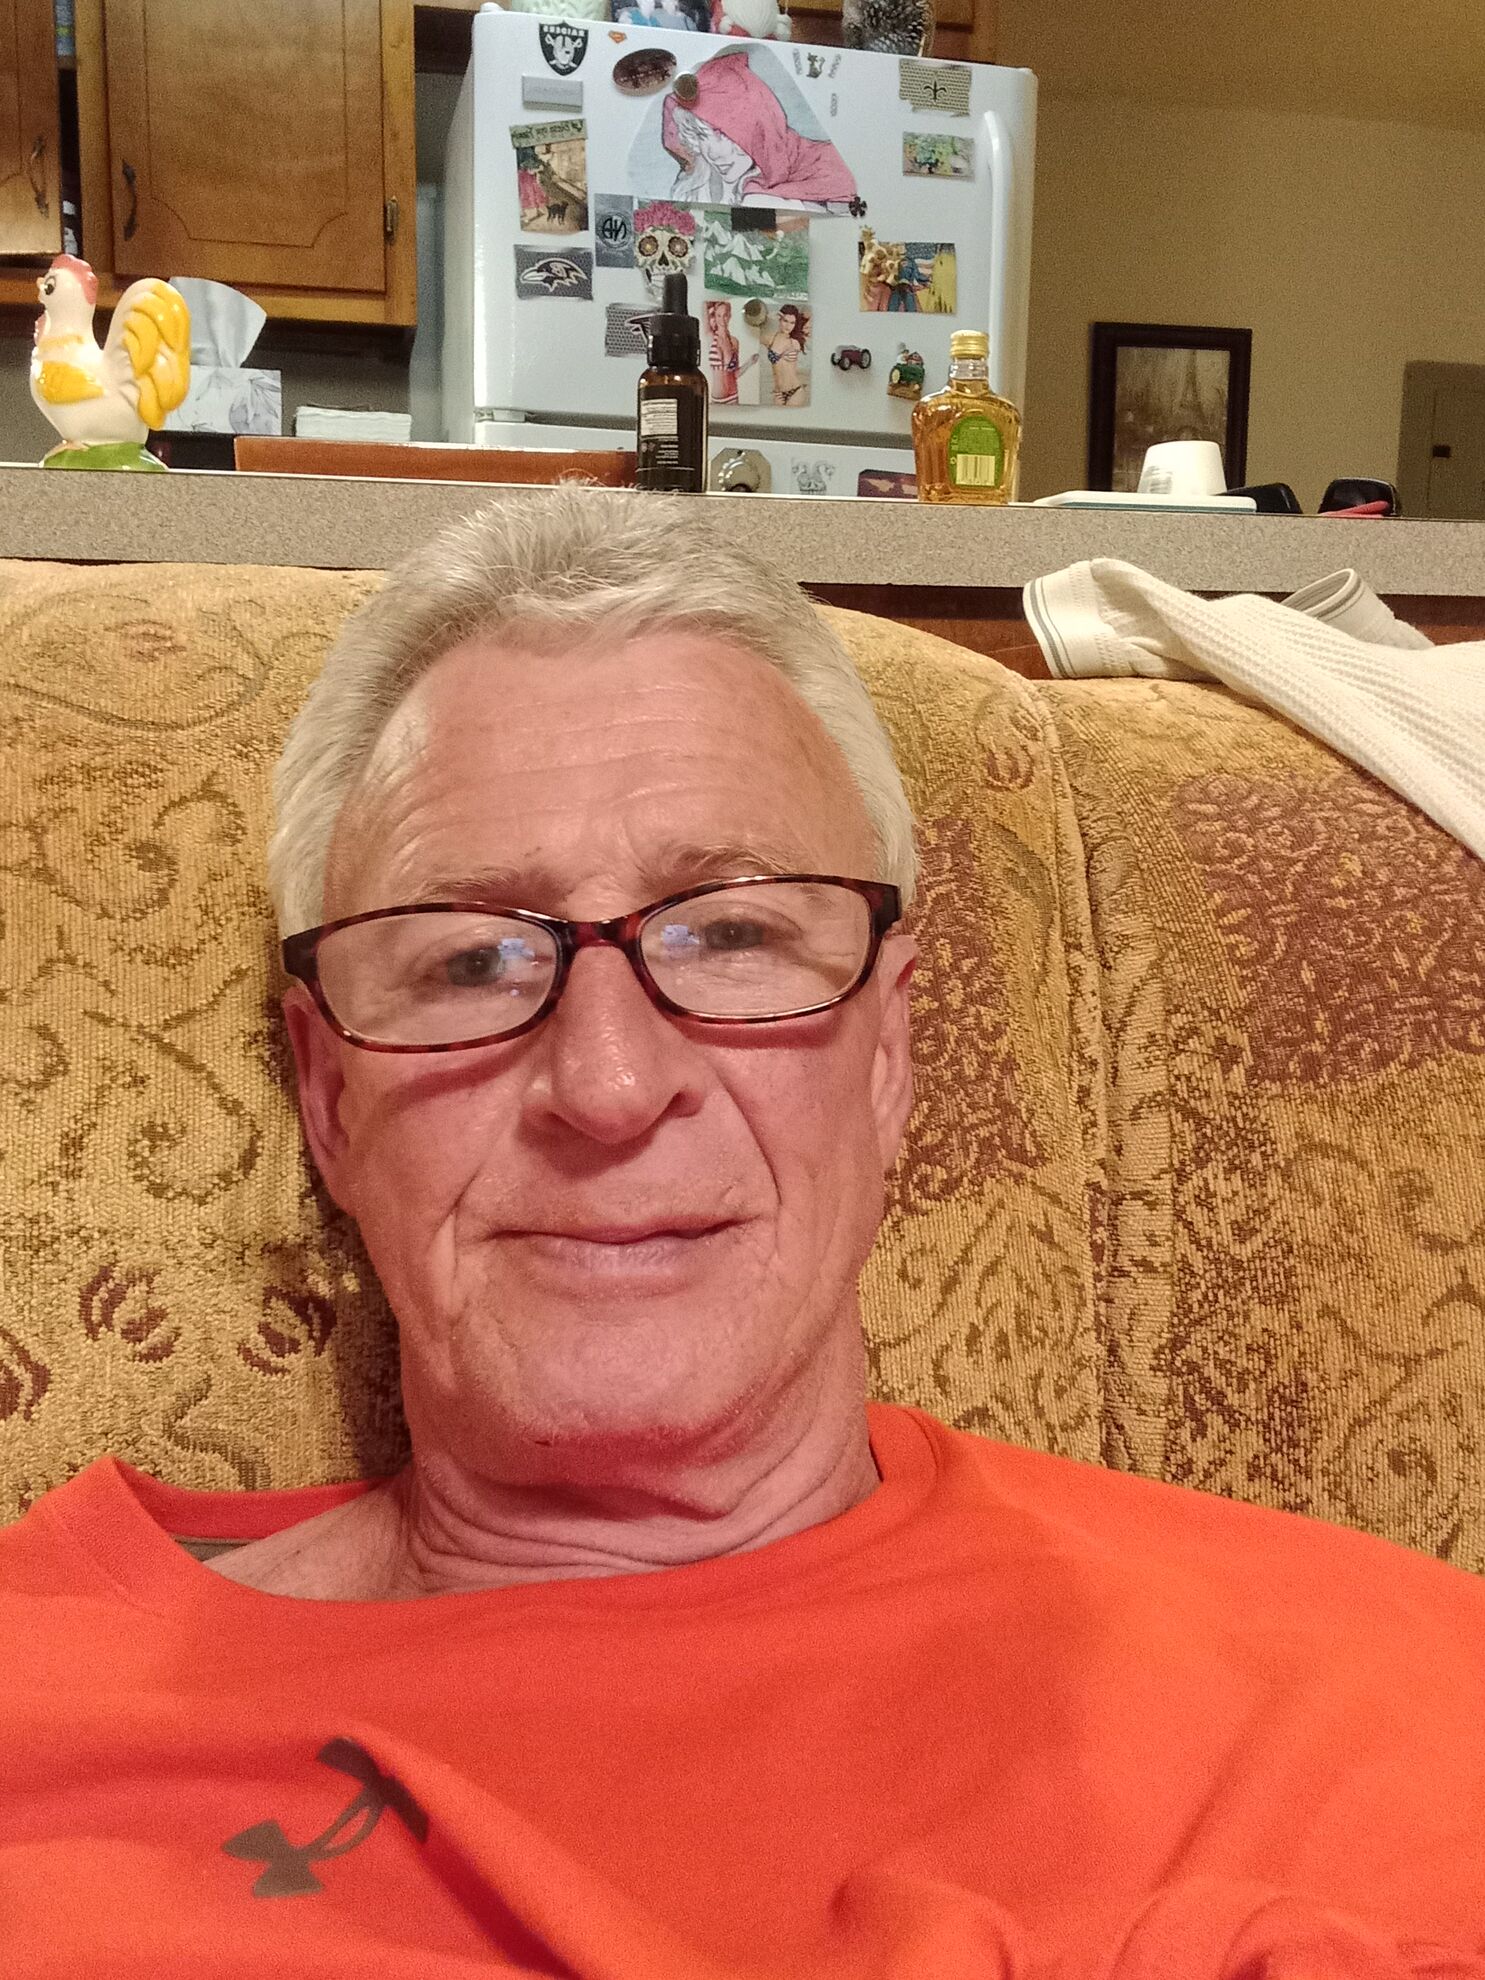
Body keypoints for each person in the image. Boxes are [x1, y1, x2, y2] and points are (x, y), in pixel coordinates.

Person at [0, 489, 1482, 1977]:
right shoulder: (48, 1693)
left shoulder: (1375, 1696)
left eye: (729, 933)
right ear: (328, 1099)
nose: (608, 1086)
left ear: (889, 1055)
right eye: (469, 962)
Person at [766, 300, 809, 406]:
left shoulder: (794, 342)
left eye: (792, 323)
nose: (788, 326)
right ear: (779, 319)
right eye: (785, 321)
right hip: (778, 393)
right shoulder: (772, 338)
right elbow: (759, 330)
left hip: (795, 391)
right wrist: (771, 316)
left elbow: (808, 313)